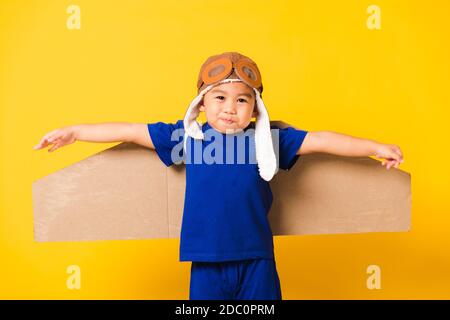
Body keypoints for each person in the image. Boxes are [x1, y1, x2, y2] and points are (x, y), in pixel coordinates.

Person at [33, 51, 404, 300]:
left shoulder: (270, 139)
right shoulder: (186, 137)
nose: (230, 109)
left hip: (257, 259)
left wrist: (374, 146)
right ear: (201, 103)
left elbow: (321, 139)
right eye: (220, 99)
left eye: (242, 100)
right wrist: (76, 132)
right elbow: (130, 130)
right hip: (206, 261)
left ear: (255, 107)